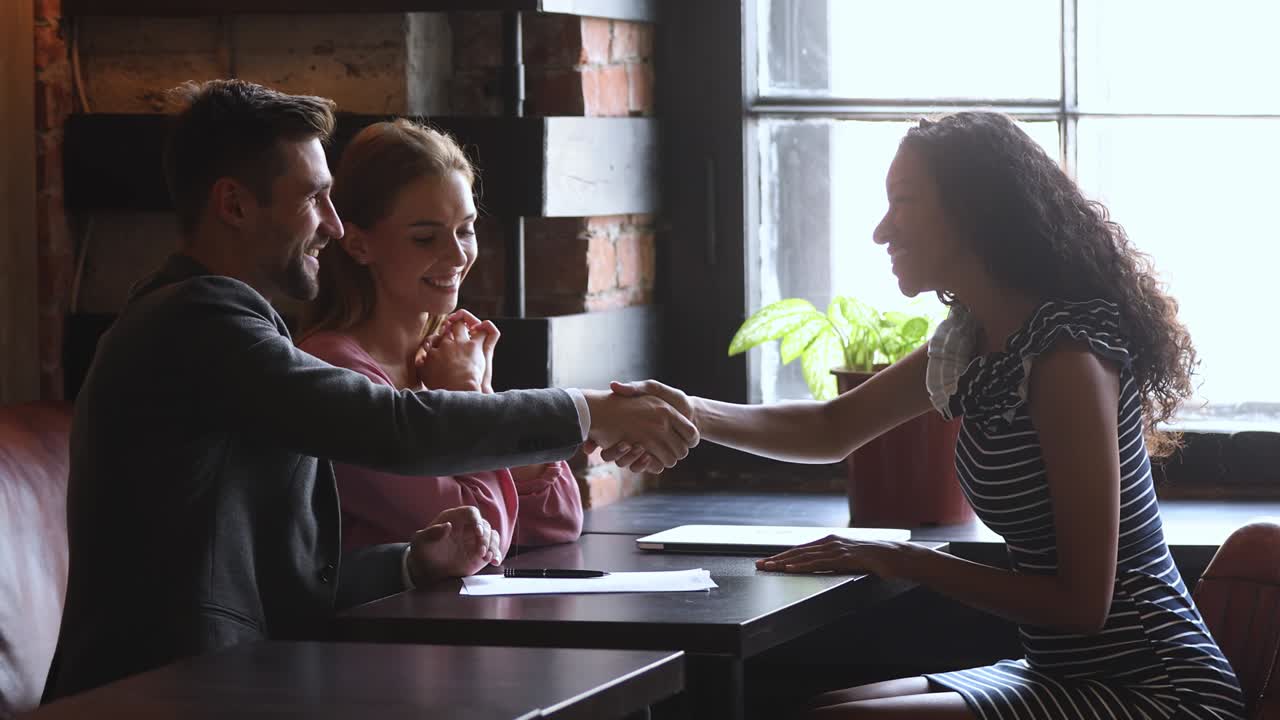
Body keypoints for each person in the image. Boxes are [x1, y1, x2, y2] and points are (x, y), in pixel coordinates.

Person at [42, 79, 696, 701]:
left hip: (225, 678)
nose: (332, 224)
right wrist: (587, 413)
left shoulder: (222, 320)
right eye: (313, 199)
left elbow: (290, 577)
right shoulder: (196, 319)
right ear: (235, 204)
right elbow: (393, 427)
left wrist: (413, 563)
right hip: (163, 691)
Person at [610, 112, 1244, 719]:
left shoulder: (1065, 357)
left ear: (975, 213)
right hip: (1063, 675)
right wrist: (689, 409)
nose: (882, 231)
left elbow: (1082, 605)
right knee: (823, 711)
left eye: (903, 201)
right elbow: (832, 428)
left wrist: (898, 557)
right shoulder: (977, 339)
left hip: (1159, 692)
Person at [298, 119, 582, 568]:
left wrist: (480, 399)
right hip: (375, 632)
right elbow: (482, 541)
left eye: (466, 229)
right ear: (357, 245)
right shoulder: (334, 373)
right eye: (426, 237)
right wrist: (469, 398)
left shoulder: (443, 358)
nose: (457, 256)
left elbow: (559, 518)